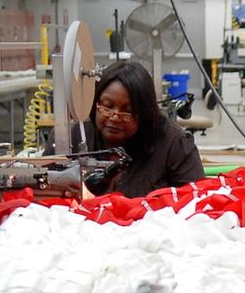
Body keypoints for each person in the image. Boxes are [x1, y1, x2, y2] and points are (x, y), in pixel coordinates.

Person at [70, 60, 205, 197]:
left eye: (128, 111)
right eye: (106, 106)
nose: (115, 117)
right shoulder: (76, 136)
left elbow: (197, 203)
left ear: (145, 112)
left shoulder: (174, 145)